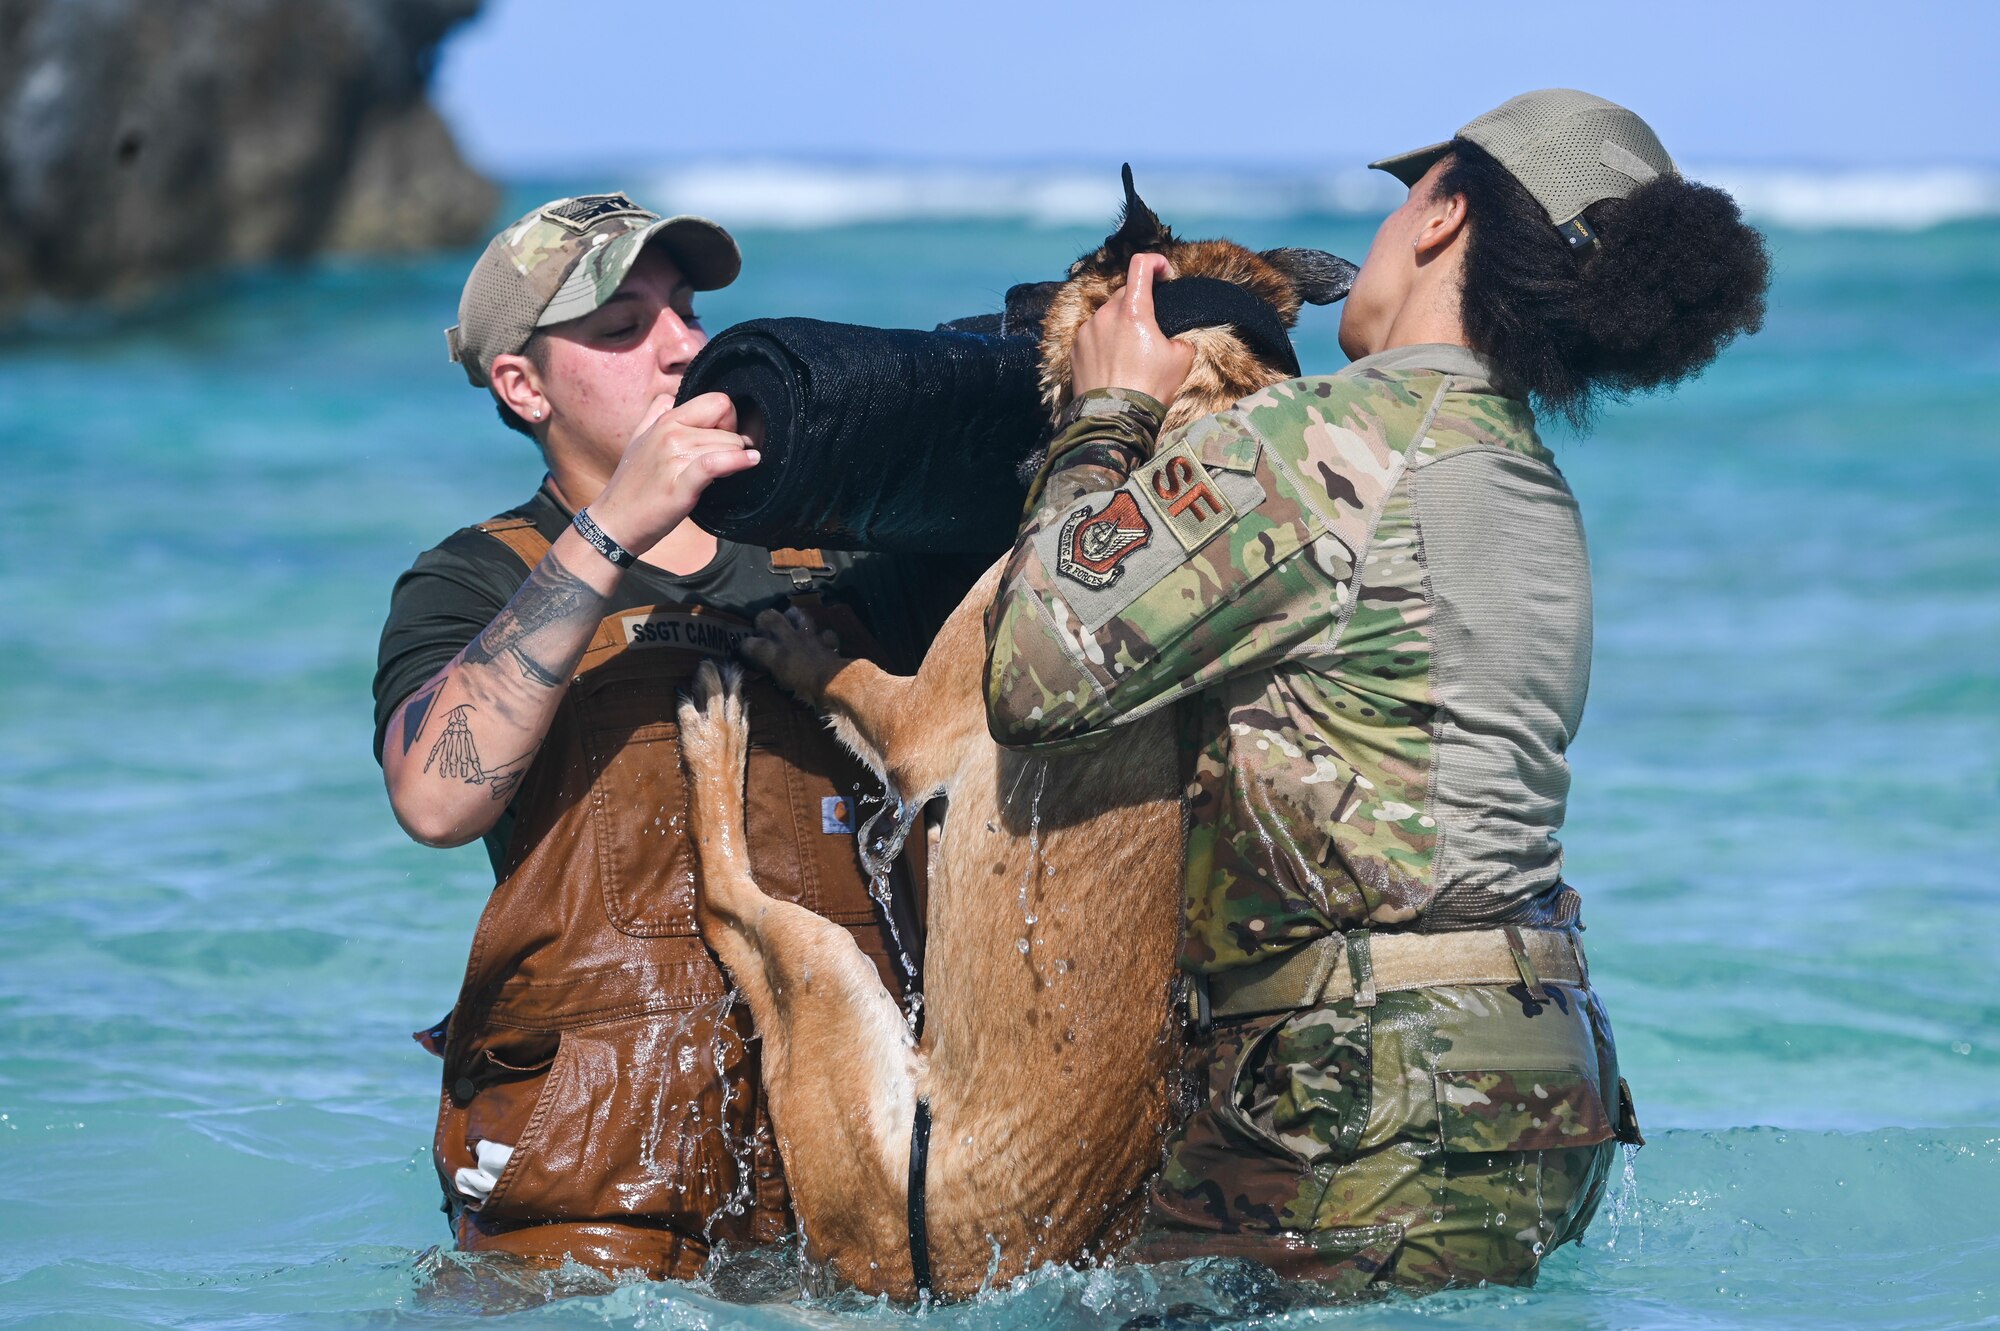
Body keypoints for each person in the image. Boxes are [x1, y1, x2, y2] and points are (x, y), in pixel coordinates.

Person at [983, 91, 1770, 1293]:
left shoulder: (1320, 440)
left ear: (1444, 217)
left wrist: (1108, 411)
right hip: (1541, 1075)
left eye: (1407, 193)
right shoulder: (1519, 470)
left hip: (1361, 1090)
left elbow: (1035, 667)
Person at [373, 193, 971, 1280]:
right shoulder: (476, 576)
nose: (684, 347)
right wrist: (608, 533)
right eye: (621, 327)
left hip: (858, 1138)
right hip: (601, 1168)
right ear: (522, 384)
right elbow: (434, 798)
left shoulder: (845, 559)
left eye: (687, 311)